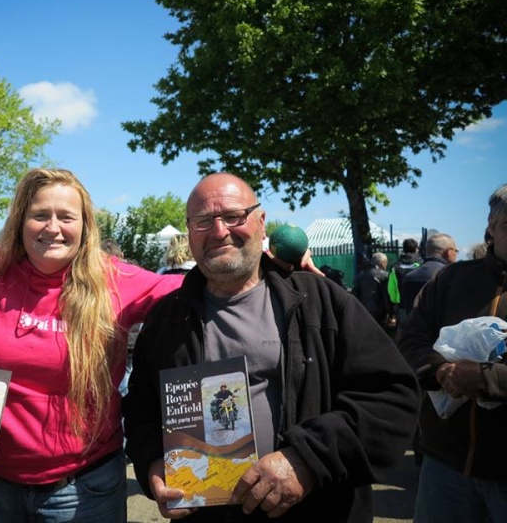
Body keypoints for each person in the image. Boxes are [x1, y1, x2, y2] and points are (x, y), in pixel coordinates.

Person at [123, 172, 420, 522]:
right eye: (203, 222)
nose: (219, 231)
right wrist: (153, 463)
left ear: (261, 223)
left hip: (316, 511)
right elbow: (141, 406)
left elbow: (392, 398)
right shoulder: (168, 319)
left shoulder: (321, 303)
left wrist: (307, 459)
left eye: (233, 216)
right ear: (189, 234)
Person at [0, 168, 183, 523]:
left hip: (85, 488)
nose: (53, 227)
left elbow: (202, 288)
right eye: (40, 215)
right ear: (21, 220)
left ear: (85, 227)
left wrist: (280, 268)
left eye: (66, 217)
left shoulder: (116, 280)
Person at [398, 183, 507, 523]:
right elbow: (410, 340)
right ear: (491, 228)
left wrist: (486, 378)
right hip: (446, 464)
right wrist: (440, 370)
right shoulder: (451, 281)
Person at [399, 233, 458, 317]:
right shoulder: (452, 276)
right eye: (456, 251)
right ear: (449, 252)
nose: (456, 255)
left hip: (414, 327)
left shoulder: (409, 276)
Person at [387, 237, 422, 327]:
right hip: (419, 304)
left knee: (404, 331)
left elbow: (391, 288)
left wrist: (395, 302)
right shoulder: (422, 265)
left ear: (403, 249)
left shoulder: (395, 267)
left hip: (402, 304)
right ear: (416, 249)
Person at [352, 252, 391, 330]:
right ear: (382, 263)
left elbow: (355, 293)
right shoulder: (385, 276)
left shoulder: (361, 275)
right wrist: (390, 313)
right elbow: (386, 296)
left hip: (363, 310)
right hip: (380, 312)